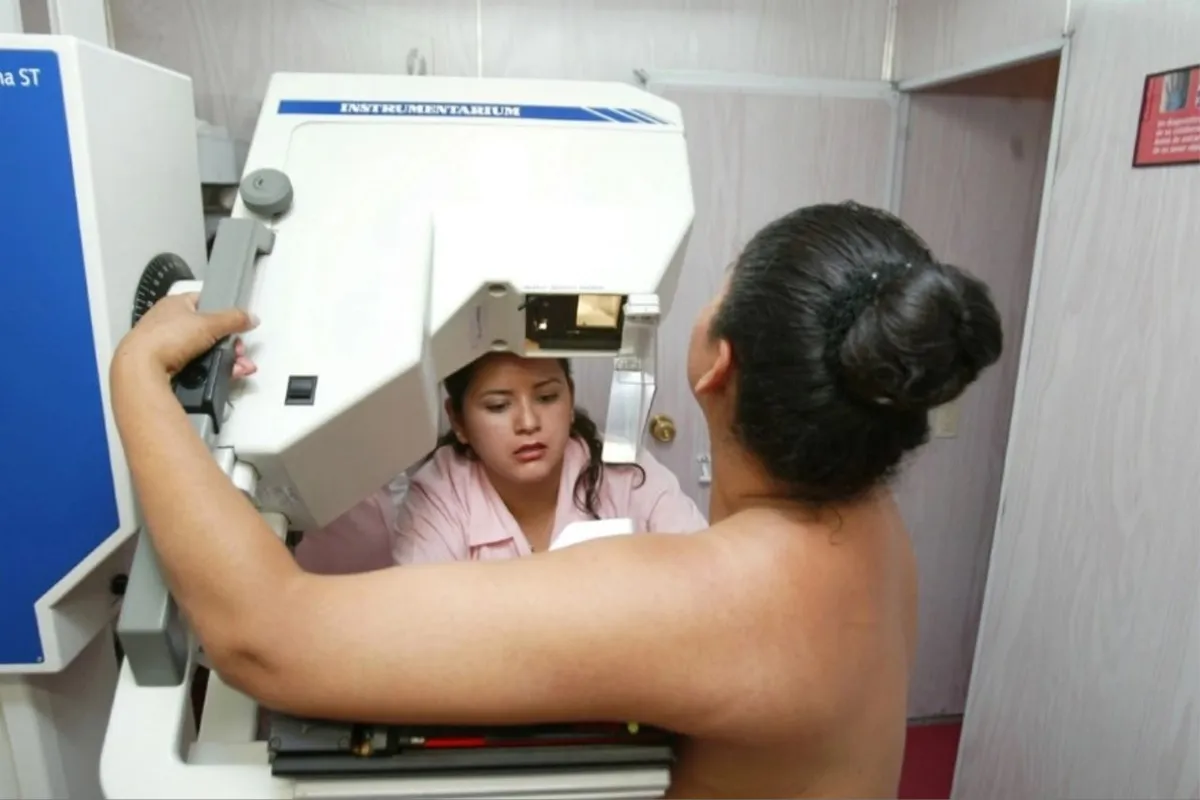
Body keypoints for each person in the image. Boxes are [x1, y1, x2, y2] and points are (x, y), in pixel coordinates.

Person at [109, 201, 1003, 798]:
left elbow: (265, 636)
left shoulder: (709, 598)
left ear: (713, 365)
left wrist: (139, 377)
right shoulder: (873, 531)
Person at [293, 353, 708, 574]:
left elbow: (705, 570)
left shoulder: (627, 472)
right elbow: (428, 625)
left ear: (570, 394)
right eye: (497, 405)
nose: (528, 423)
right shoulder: (441, 491)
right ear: (458, 420)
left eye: (547, 398)